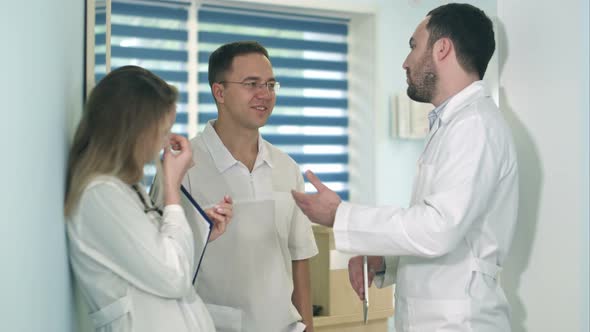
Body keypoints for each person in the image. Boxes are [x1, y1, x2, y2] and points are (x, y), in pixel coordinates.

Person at [292, 3, 518, 332]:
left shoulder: (475, 126)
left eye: (413, 46)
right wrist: (387, 261)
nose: (405, 61)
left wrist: (340, 215)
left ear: (442, 49)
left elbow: (439, 229)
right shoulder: (452, 124)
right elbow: (454, 238)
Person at [151, 41, 318, 332]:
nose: (264, 94)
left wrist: (308, 327)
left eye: (270, 84)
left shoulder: (287, 169)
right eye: (251, 84)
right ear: (220, 92)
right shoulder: (182, 168)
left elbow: (299, 258)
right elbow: (158, 261)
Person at [65, 65, 233, 332]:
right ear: (134, 132)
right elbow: (174, 276)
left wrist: (200, 228)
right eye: (163, 130)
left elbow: (155, 258)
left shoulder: (125, 189)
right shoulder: (101, 196)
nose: (166, 141)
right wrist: (171, 187)